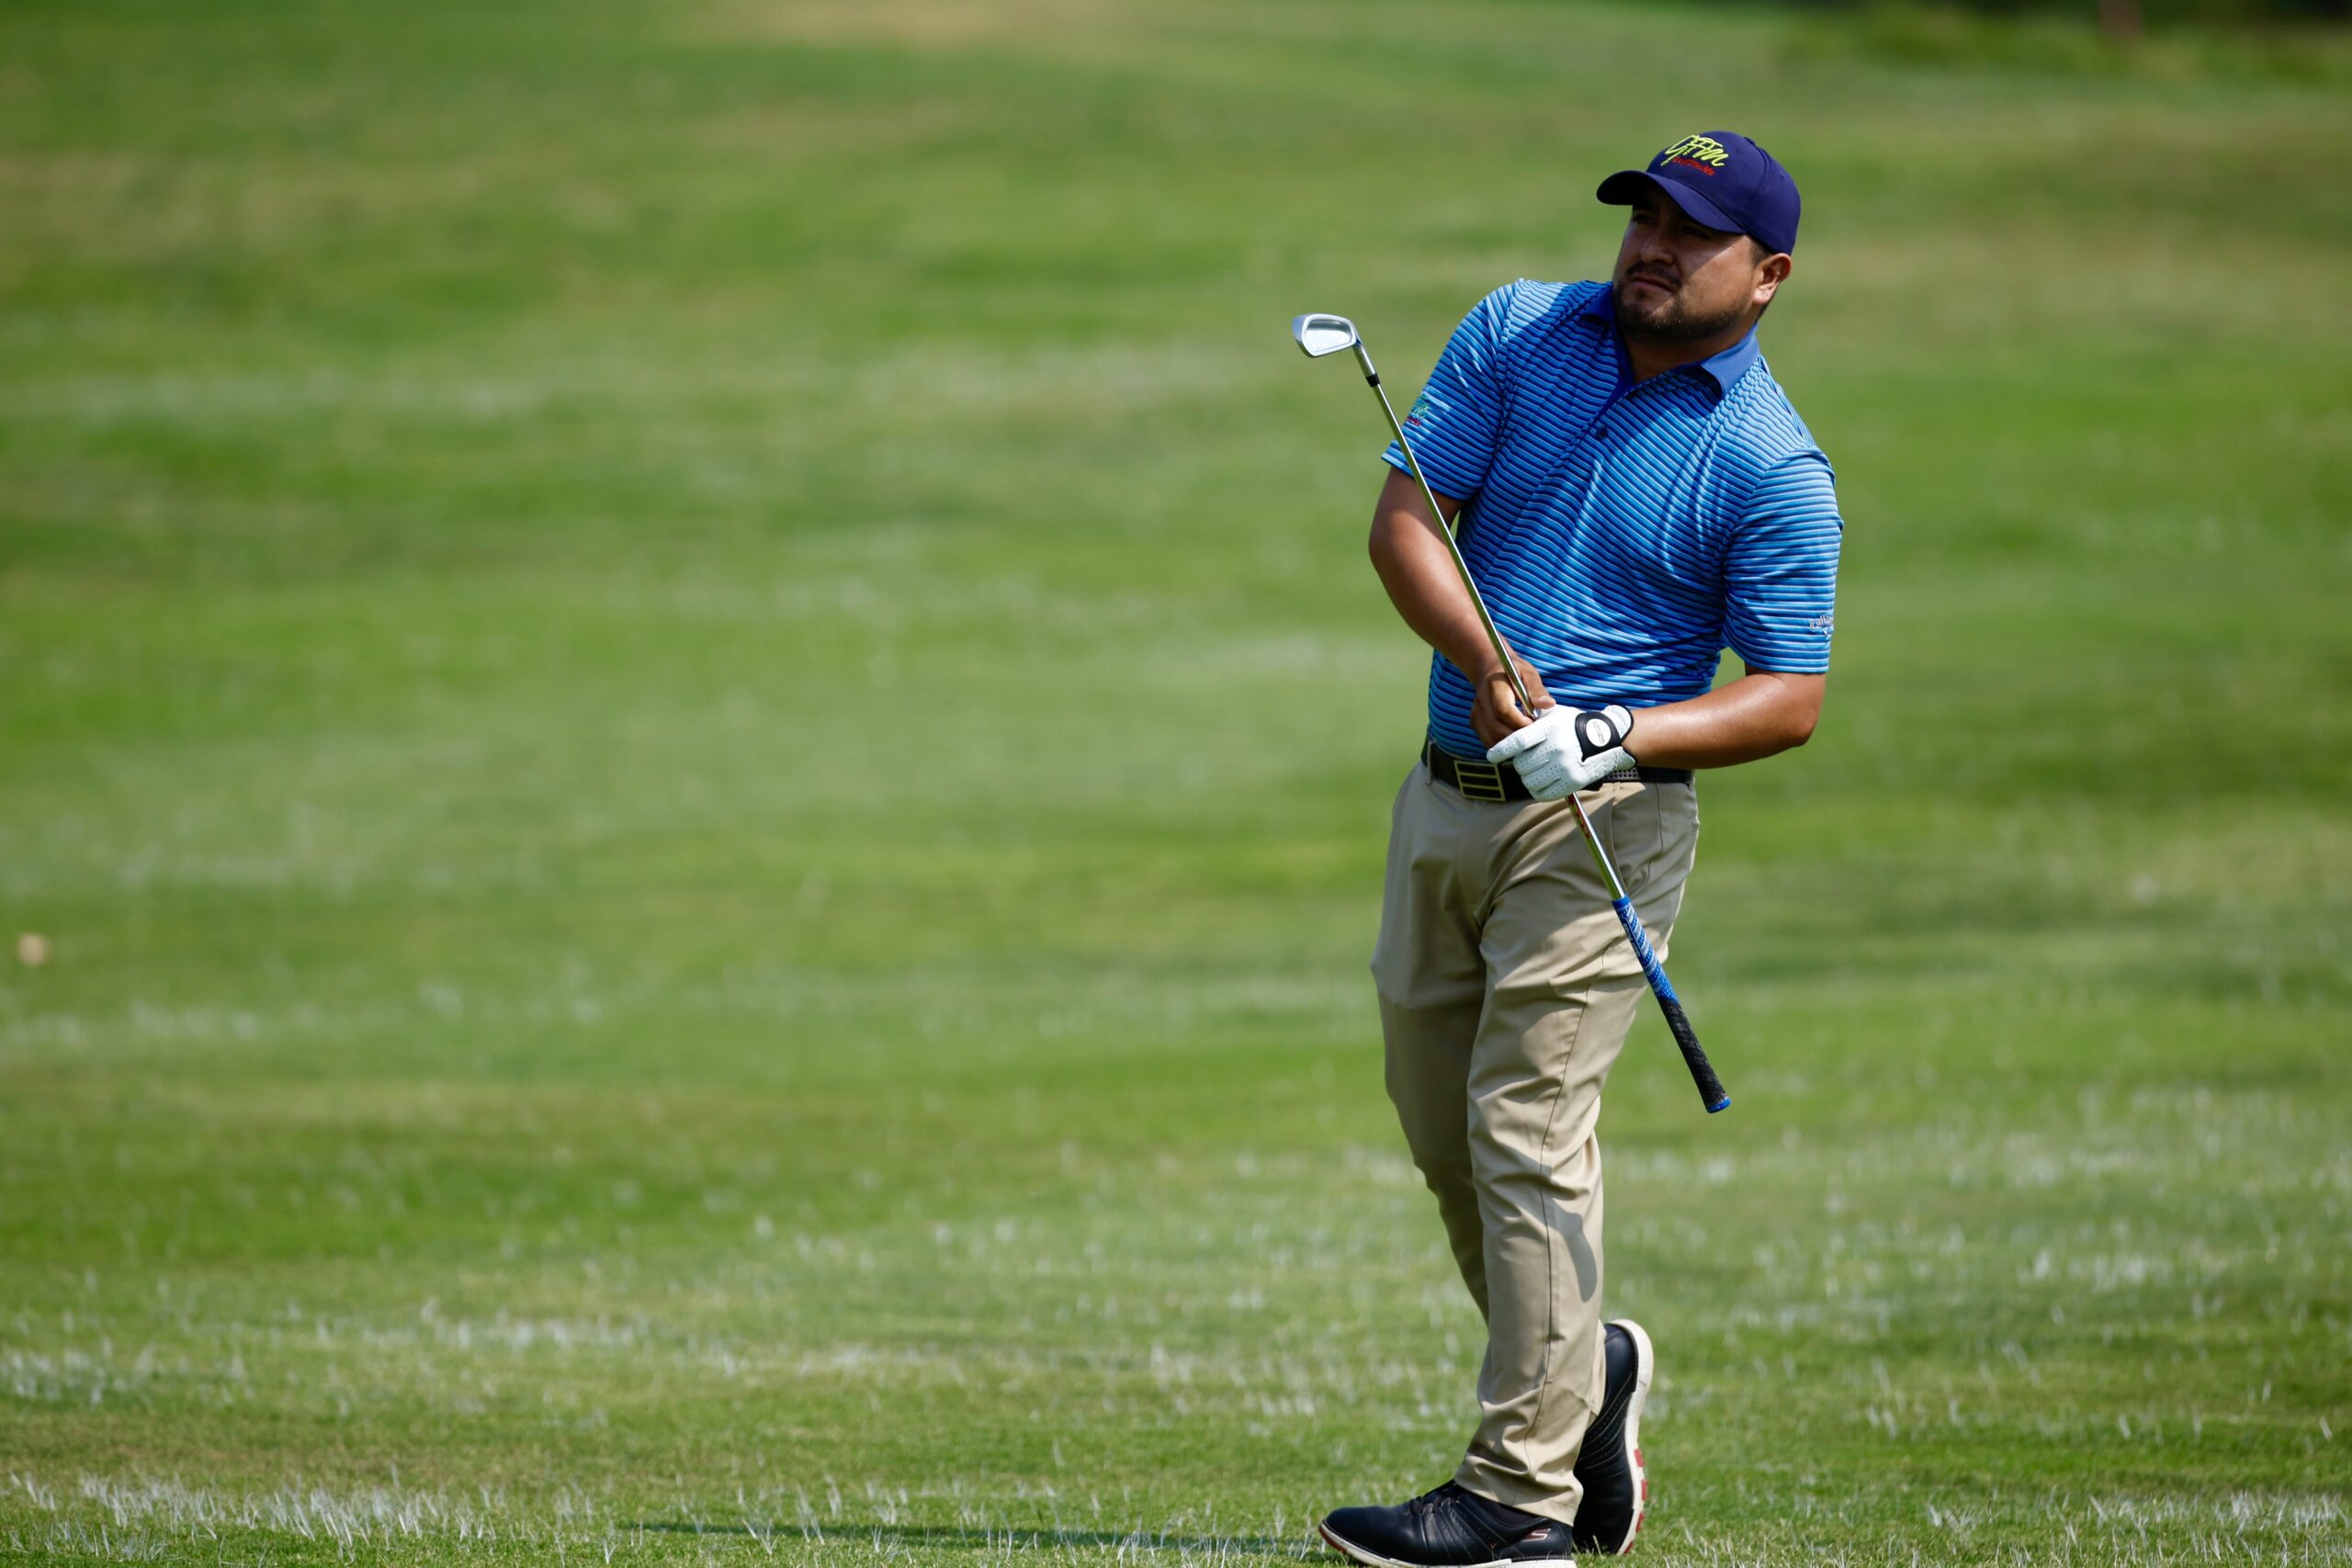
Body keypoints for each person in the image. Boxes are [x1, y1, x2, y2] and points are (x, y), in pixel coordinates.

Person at [1317, 131, 1842, 1566]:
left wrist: (1616, 735)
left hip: (1603, 829)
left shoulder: (1773, 465)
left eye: (1693, 233)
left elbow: (1787, 695)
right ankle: (1584, 1374)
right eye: (1644, 220)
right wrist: (1488, 658)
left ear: (1768, 274)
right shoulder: (1520, 330)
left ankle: (1520, 1506)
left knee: (1525, 1138)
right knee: (1446, 1142)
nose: (1651, 249)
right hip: (1445, 796)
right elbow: (1407, 520)